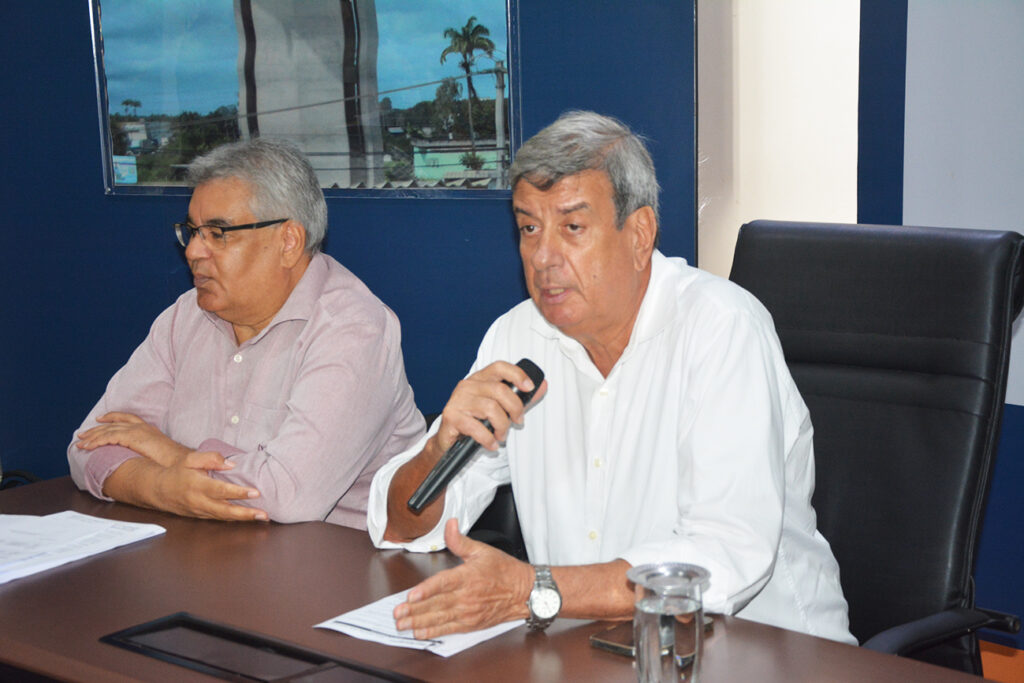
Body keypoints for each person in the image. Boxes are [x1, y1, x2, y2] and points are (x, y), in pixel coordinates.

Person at [366, 111, 855, 643]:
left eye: (572, 227)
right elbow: (400, 528)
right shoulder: (516, 337)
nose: (543, 257)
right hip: (595, 645)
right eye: (529, 228)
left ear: (640, 234)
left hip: (764, 649)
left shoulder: (722, 329)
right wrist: (437, 450)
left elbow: (721, 557)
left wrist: (531, 590)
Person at [68, 138, 424, 527]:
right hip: (210, 551)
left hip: (341, 557)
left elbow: (288, 496)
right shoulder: (185, 317)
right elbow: (87, 445)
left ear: (288, 242)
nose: (192, 251)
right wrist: (163, 486)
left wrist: (170, 454)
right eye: (192, 231)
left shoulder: (352, 328)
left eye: (218, 233)